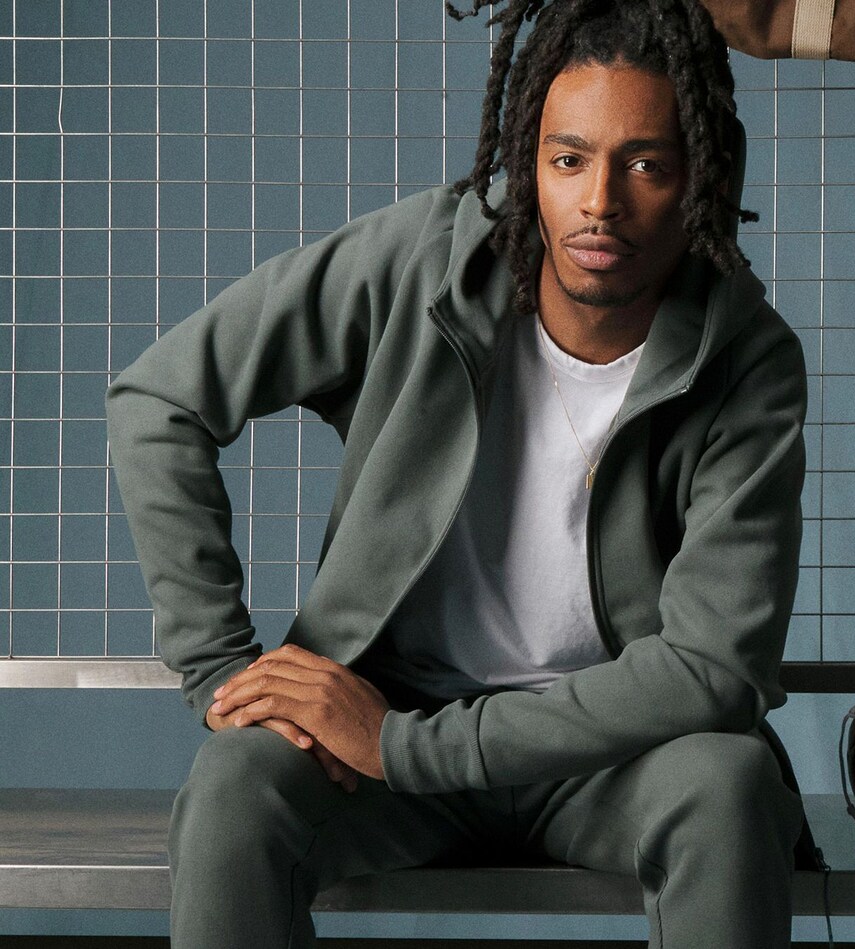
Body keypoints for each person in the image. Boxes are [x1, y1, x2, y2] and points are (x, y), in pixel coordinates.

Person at [104, 1, 817, 946]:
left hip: (611, 754)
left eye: (646, 164)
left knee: (726, 785)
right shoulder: (418, 264)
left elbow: (711, 670)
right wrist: (223, 673)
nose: (600, 200)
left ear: (700, 180)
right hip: (384, 721)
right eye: (569, 159)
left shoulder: (745, 357)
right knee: (237, 789)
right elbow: (161, 399)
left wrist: (413, 750)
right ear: (529, 160)